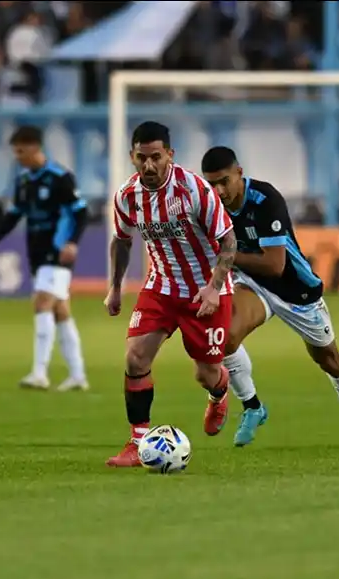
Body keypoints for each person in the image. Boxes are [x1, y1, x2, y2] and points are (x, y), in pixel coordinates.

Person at [201, 146, 339, 449]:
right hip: (254, 285)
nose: (218, 190)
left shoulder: (266, 200)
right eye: (211, 184)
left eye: (224, 181)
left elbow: (275, 265)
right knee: (224, 336)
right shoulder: (211, 204)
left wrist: (228, 255)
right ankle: (252, 407)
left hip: (295, 289)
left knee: (329, 360)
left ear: (239, 173)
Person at [104, 122, 237, 468]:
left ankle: (219, 392)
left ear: (170, 155)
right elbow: (121, 240)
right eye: (141, 158)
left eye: (156, 157)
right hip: (161, 287)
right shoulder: (126, 196)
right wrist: (115, 288)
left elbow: (228, 241)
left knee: (206, 372)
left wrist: (214, 286)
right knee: (135, 357)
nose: (148, 166)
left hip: (206, 291)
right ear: (132, 157)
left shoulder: (194, 189)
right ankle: (136, 442)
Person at [0, 125, 89, 392]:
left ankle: (39, 372)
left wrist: (72, 242)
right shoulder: (23, 181)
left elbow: (81, 212)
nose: (18, 157)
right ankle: (78, 375)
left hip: (57, 250)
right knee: (60, 310)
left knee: (42, 302)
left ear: (35, 147)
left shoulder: (60, 178)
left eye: (21, 151)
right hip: (36, 251)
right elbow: (12, 218)